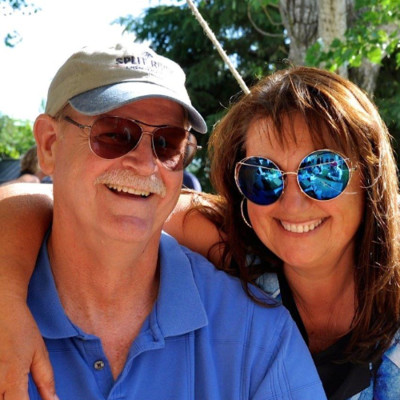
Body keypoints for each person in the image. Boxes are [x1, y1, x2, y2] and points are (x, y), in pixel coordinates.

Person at [2, 66, 399, 400]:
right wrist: (7, 297)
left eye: (322, 172)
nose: (293, 203)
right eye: (262, 176)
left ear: (370, 175)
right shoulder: (231, 244)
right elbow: (55, 201)